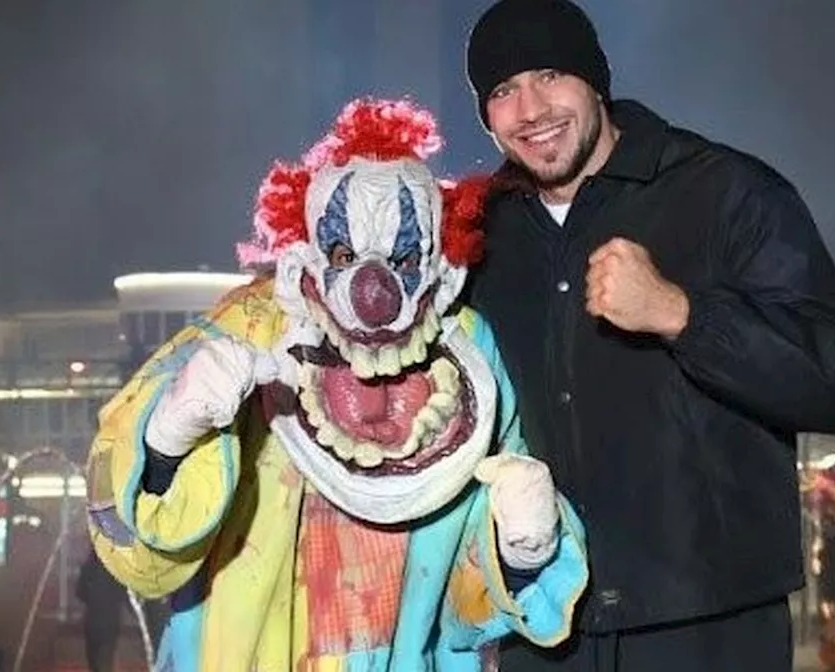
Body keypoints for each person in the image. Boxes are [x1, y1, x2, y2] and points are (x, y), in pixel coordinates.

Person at [86, 98, 589, 671]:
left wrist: (523, 552)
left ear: (440, 267)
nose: (372, 293)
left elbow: (469, 601)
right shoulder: (246, 327)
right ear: (303, 254)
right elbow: (139, 559)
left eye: (402, 260)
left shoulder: (467, 355)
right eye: (344, 253)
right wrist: (164, 445)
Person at [463, 1, 835, 669]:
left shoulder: (726, 193)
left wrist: (682, 314)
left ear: (595, 80)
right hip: (542, 629)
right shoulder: (484, 233)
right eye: (503, 91)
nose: (531, 108)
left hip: (705, 628)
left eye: (549, 74)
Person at [76, 547, 127, 672]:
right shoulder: (117, 568)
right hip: (110, 620)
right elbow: (124, 594)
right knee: (105, 657)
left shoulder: (88, 567)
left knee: (93, 658)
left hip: (92, 618)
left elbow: (80, 592)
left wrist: (92, 596)